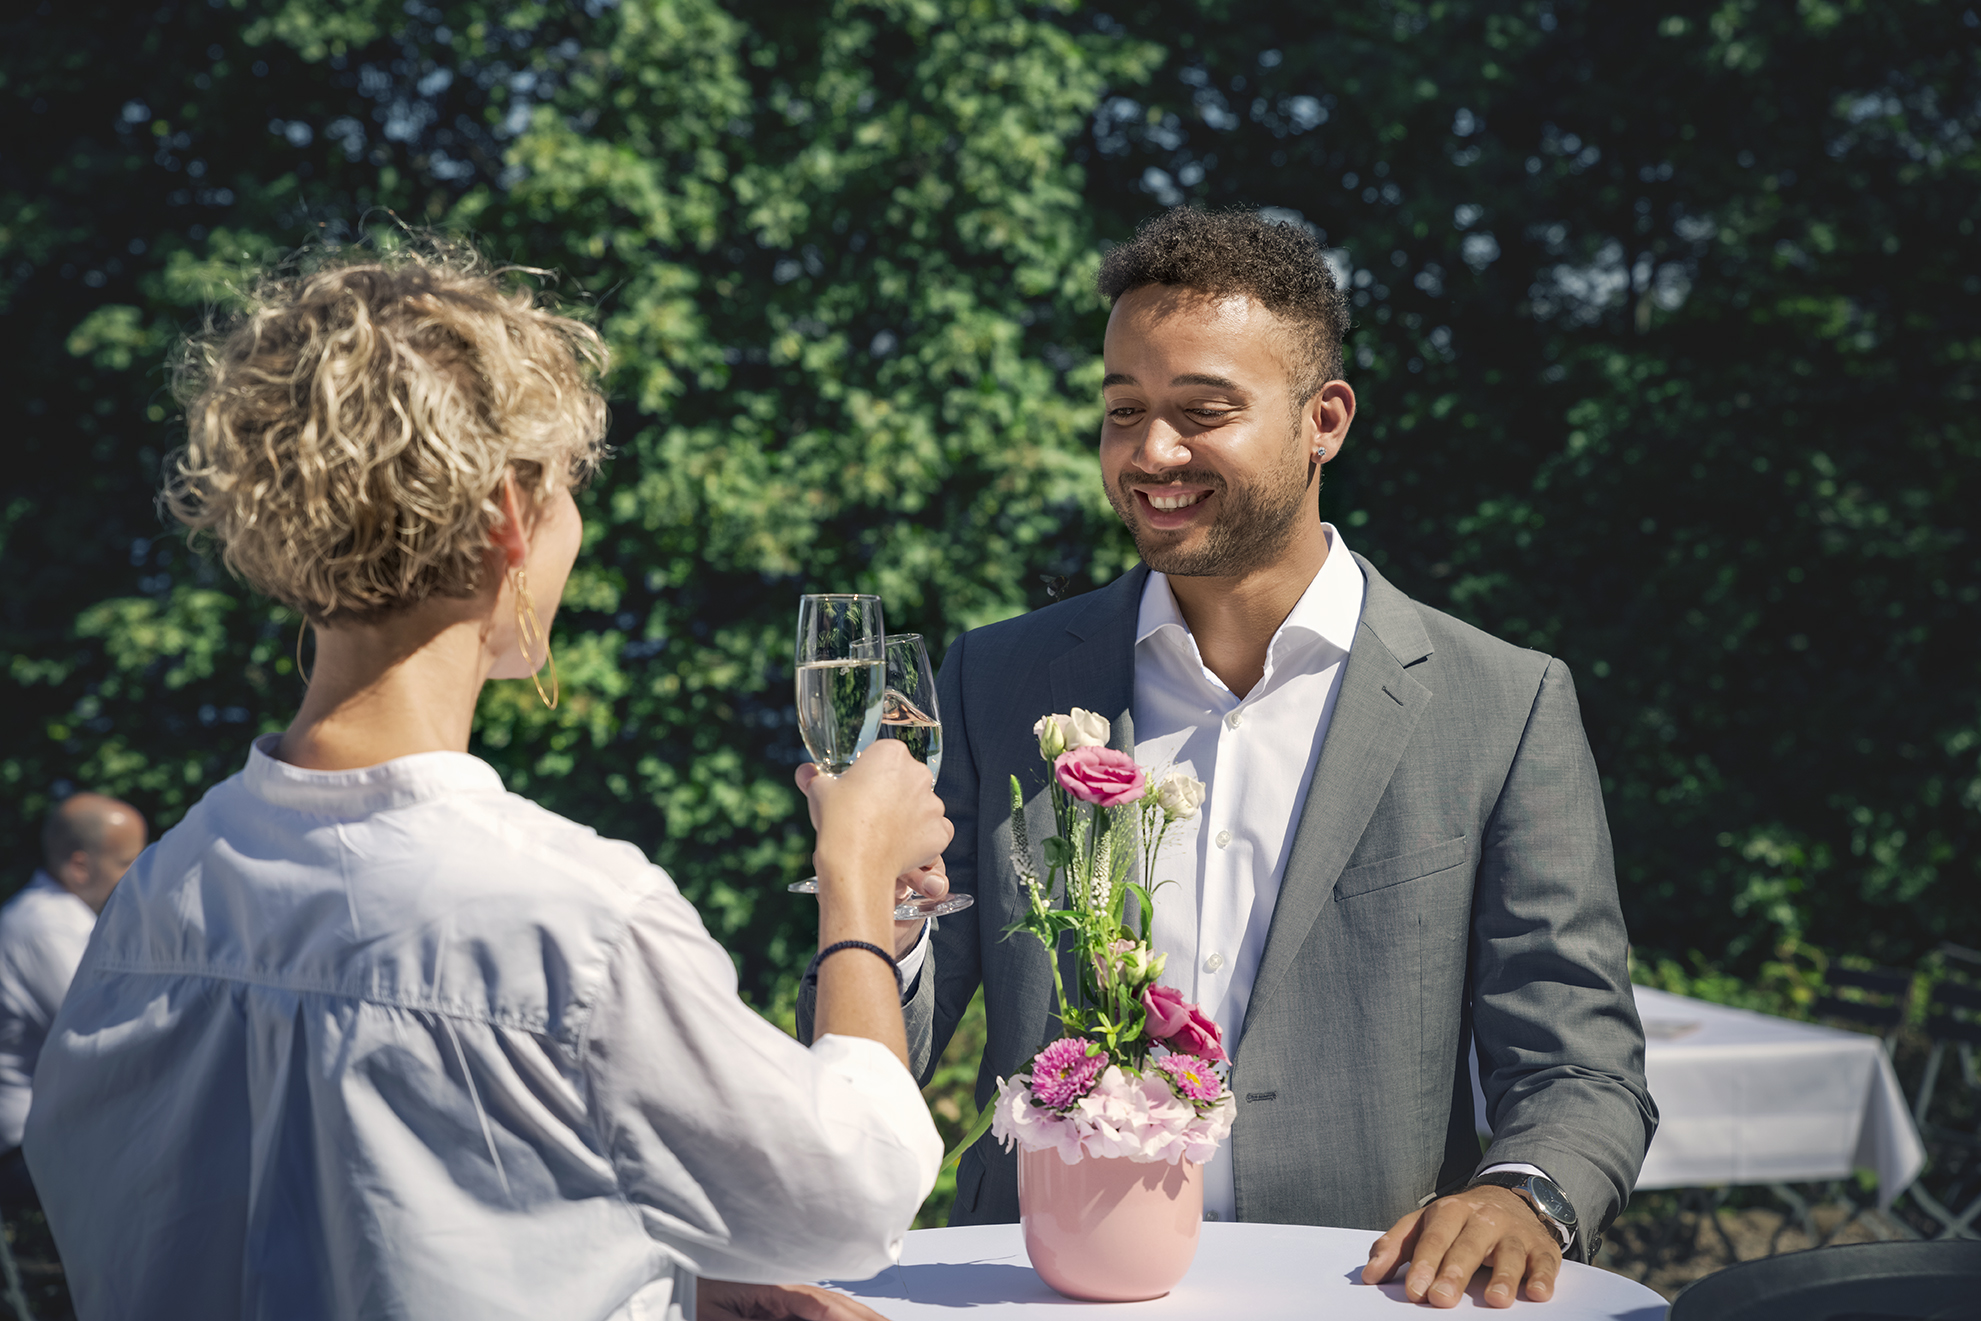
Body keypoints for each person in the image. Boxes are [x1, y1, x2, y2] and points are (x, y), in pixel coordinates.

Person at [25, 246, 949, 1321]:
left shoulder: (154, 900)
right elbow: (854, 1193)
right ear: (510, 513)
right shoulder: (577, 921)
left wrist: (671, 1281)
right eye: (565, 492)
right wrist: (854, 877)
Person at [807, 208, 1657, 1309]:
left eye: (1202, 411)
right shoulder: (994, 682)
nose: (1153, 454)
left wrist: (1523, 1193)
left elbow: (1580, 1066)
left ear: (1325, 420)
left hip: (1360, 1294)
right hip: (1041, 1294)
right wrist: (885, 908)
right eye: (1124, 413)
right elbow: (874, 1069)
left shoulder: (1502, 702)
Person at [0, 793, 146, 1201]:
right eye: (126, 862)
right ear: (80, 865)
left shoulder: (65, 919)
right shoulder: (45, 928)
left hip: (56, 1135)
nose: (139, 875)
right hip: (26, 1147)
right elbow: (112, 1035)